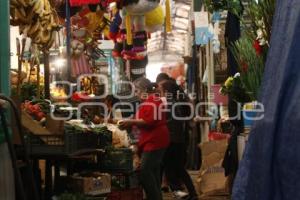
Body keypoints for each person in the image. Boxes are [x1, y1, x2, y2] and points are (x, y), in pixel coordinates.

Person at [118, 77, 170, 200]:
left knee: (145, 171)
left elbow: (149, 121)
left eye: (136, 91)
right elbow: (140, 118)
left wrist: (130, 122)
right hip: (152, 140)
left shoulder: (154, 100)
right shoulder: (148, 101)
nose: (136, 94)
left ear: (143, 90)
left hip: (155, 140)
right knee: (154, 172)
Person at [159, 80, 198, 200]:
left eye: (160, 91)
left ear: (166, 91)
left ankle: (182, 193)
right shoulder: (177, 102)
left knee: (171, 169)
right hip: (178, 140)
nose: (159, 93)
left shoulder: (169, 103)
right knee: (178, 169)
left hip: (172, 141)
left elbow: (170, 123)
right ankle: (190, 193)